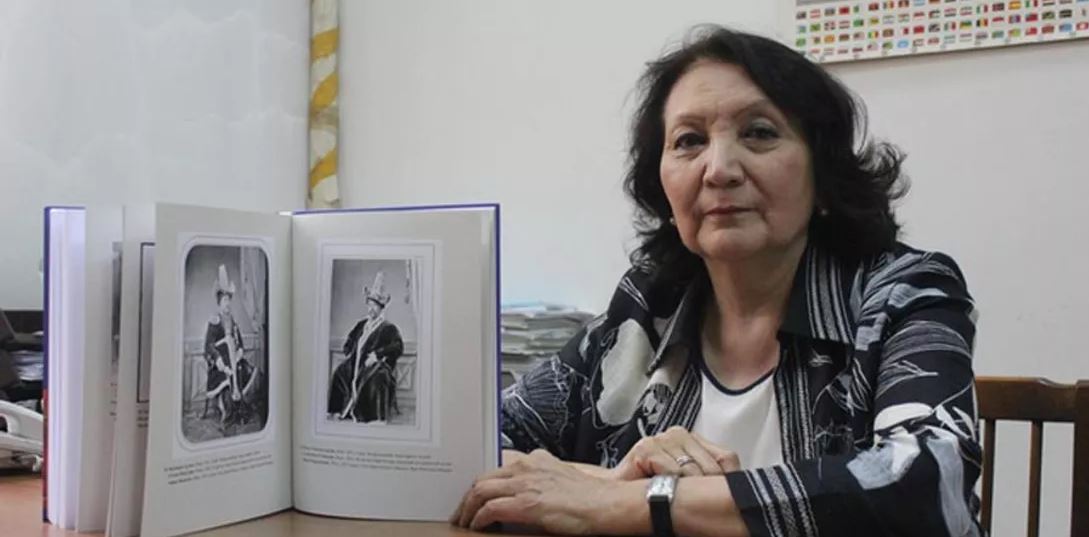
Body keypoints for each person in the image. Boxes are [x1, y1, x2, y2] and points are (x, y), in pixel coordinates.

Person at [453, 26, 981, 537]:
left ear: (822, 174)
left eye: (759, 133)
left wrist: (638, 503)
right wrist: (609, 484)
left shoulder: (904, 293)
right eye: (689, 141)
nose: (719, 169)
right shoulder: (648, 307)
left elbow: (926, 481)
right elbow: (465, 449)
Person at [328, 271, 405, 423]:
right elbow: (351, 337)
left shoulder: (388, 328)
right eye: (369, 305)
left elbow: (398, 346)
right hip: (356, 362)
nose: (371, 309)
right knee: (340, 372)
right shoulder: (362, 324)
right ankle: (337, 410)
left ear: (381, 308)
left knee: (377, 378)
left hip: (373, 365)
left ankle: (374, 417)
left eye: (374, 306)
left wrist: (377, 355)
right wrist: (349, 347)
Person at [202, 264, 256, 426]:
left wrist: (240, 351)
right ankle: (229, 413)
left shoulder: (233, 320)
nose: (228, 304)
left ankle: (240, 410)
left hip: (235, 360)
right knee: (227, 379)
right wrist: (218, 359)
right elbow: (208, 346)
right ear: (219, 302)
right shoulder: (215, 321)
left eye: (229, 300)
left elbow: (239, 340)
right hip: (220, 365)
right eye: (225, 300)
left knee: (246, 371)